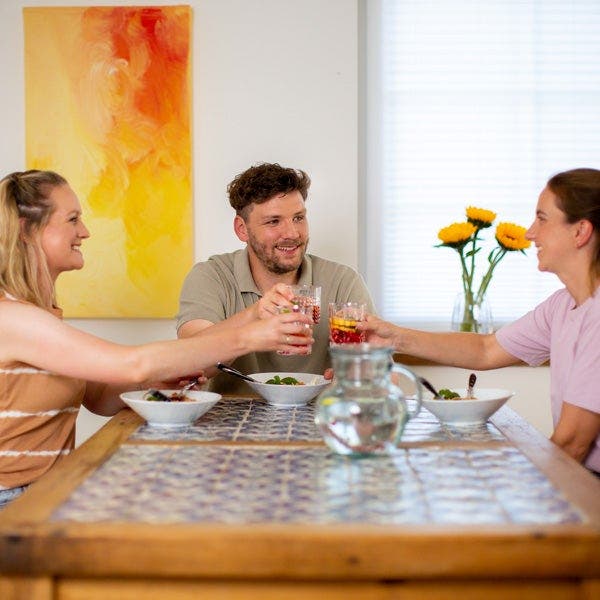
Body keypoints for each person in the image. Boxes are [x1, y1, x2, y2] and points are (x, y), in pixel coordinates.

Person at [0, 170, 313, 508]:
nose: (85, 231)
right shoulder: (11, 318)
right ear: (25, 230)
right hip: (12, 498)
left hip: (47, 488)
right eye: (72, 219)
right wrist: (250, 337)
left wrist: (163, 382)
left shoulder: (41, 315)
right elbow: (133, 364)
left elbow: (100, 398)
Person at [358, 168, 600, 476]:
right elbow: (486, 349)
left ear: (580, 232)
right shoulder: (562, 305)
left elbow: (571, 443)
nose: (530, 232)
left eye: (542, 219)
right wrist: (393, 337)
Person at [177, 162, 375, 394]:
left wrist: (360, 379)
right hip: (231, 420)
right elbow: (186, 361)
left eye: (298, 218)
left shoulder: (343, 281)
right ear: (242, 229)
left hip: (320, 418)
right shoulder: (211, 277)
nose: (292, 233)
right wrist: (254, 314)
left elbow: (381, 375)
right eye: (273, 221)